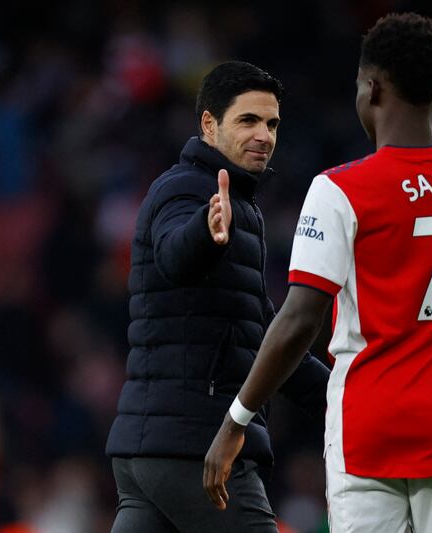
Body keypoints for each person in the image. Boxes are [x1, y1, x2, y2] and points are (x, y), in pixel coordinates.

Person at [204, 13, 432, 532]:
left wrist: (237, 419)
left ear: (372, 87)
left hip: (368, 426)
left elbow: (300, 319)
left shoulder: (339, 191)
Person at [106, 61, 330, 533]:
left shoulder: (238, 205)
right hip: (197, 449)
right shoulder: (187, 189)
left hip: (146, 452)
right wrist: (206, 235)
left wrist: (339, 397)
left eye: (271, 124)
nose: (264, 135)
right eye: (247, 120)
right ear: (209, 124)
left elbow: (264, 336)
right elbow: (175, 255)